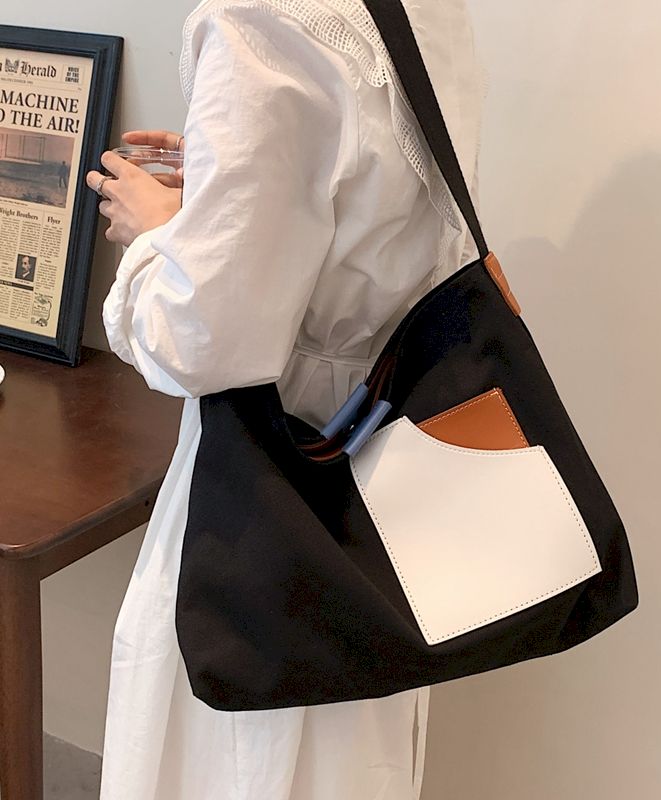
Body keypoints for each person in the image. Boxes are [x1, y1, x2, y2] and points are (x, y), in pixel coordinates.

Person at [85, 1, 484, 798]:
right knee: (347, 745)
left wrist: (158, 234)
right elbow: (374, 206)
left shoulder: (257, 22)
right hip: (381, 449)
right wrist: (231, 203)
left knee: (243, 751)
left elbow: (202, 340)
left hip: (275, 465)